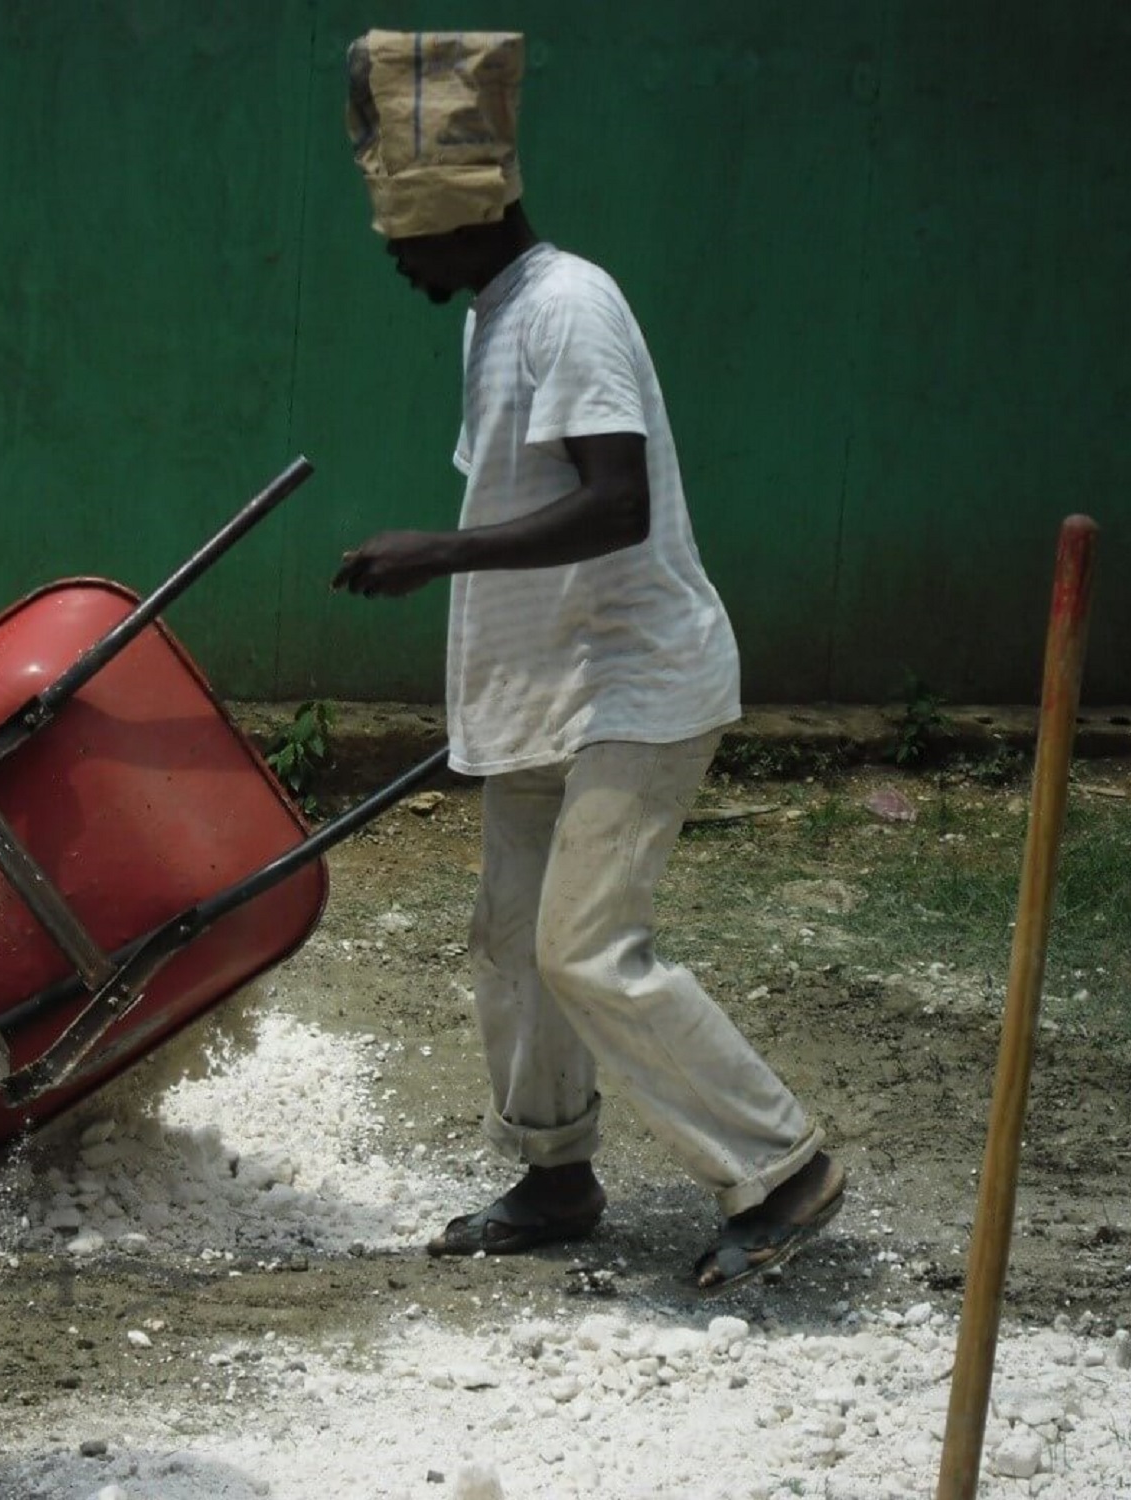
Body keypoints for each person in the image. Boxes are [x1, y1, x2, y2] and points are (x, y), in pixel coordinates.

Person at [335, 31, 845, 1290]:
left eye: (404, 236)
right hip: (549, 687)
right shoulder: (491, 317)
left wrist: (434, 552)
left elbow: (616, 503)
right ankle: (553, 1172)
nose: (394, 259)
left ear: (463, 216)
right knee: (513, 944)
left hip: (638, 682)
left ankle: (780, 1167)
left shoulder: (569, 306)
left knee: (584, 947)